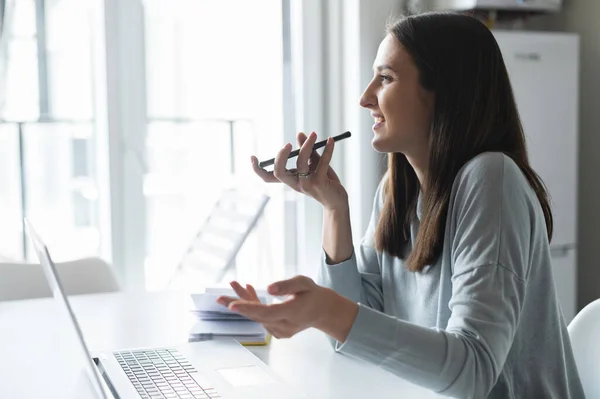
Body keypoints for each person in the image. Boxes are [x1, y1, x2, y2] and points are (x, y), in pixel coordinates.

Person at [217, 12, 584, 399]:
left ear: (444, 91)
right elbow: (352, 337)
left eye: (386, 78)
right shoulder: (398, 193)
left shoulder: (492, 178)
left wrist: (327, 310)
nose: (365, 97)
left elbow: (474, 369)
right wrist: (333, 209)